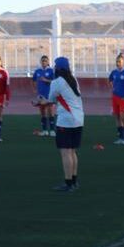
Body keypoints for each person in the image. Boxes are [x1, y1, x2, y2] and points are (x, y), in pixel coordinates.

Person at [41, 57, 84, 192]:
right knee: (72, 151)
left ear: (58, 69)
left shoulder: (56, 82)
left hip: (66, 120)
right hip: (79, 119)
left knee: (65, 152)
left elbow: (51, 99)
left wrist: (41, 102)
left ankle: (68, 182)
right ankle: (74, 181)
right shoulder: (74, 80)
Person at [31, 55, 56, 137]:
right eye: (42, 61)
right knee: (42, 113)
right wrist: (35, 89)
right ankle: (45, 130)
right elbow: (33, 80)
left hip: (49, 94)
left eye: (45, 60)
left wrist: (46, 80)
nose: (44, 62)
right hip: (40, 95)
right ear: (40, 62)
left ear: (48, 62)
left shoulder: (51, 71)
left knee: (50, 112)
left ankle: (52, 130)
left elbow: (55, 82)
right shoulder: (37, 71)